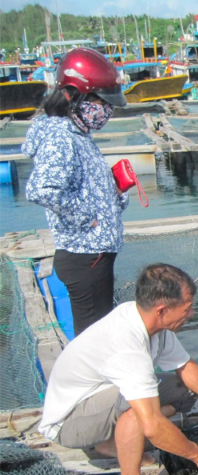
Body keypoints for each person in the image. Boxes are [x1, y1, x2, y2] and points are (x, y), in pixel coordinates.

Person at [39, 264, 198, 475]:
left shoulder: (150, 321)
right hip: (69, 422)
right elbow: (152, 427)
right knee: (141, 416)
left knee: (184, 390)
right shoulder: (128, 348)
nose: (191, 314)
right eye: (187, 308)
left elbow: (185, 366)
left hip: (104, 395)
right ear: (162, 310)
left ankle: (113, 443)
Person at [23, 48, 130, 336]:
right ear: (72, 95)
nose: (105, 109)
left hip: (94, 252)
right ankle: (89, 382)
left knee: (99, 332)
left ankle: (95, 379)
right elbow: (41, 189)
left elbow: (82, 188)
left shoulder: (78, 134)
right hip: (84, 256)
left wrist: (114, 193)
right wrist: (88, 218)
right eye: (98, 101)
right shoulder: (60, 137)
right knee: (92, 339)